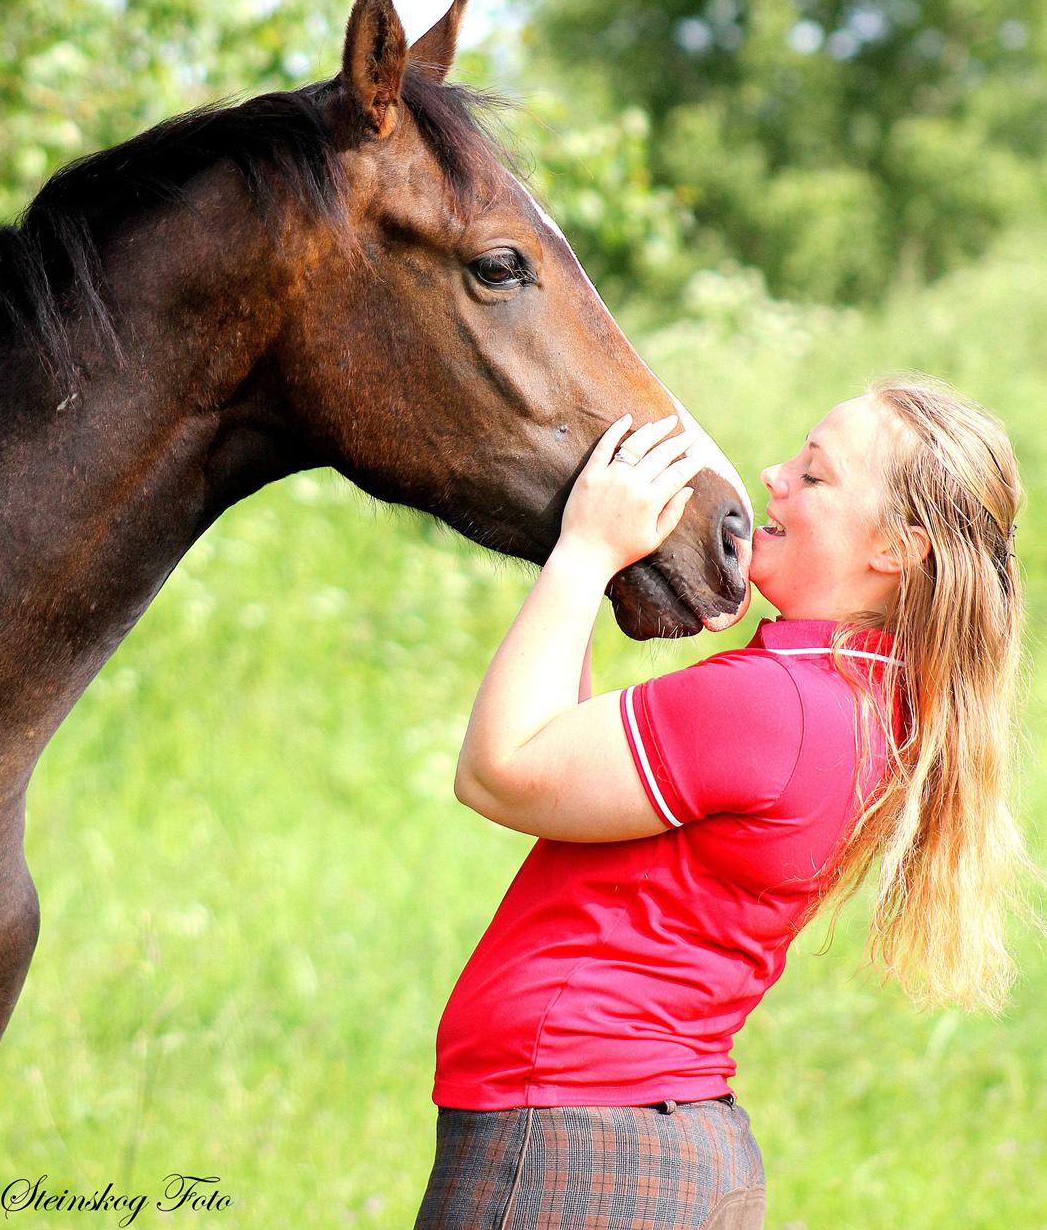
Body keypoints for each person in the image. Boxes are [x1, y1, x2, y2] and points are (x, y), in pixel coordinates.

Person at [413, 376, 1029, 1230]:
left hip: (576, 1144)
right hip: (646, 1141)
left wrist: (584, 553)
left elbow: (500, 771)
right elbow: (557, 763)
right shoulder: (857, 702)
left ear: (895, 547)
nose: (772, 476)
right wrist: (592, 575)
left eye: (813, 477)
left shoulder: (775, 705)